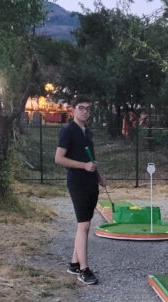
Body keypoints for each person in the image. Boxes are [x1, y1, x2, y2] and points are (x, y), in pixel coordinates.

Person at [55, 96, 106, 285]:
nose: (85, 111)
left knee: (84, 225)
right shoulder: (68, 131)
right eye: (81, 108)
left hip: (91, 181)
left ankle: (74, 263)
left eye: (88, 108)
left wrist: (98, 175)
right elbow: (59, 158)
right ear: (73, 109)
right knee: (83, 226)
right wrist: (83, 166)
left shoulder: (87, 132)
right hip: (77, 182)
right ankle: (84, 270)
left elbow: (89, 158)